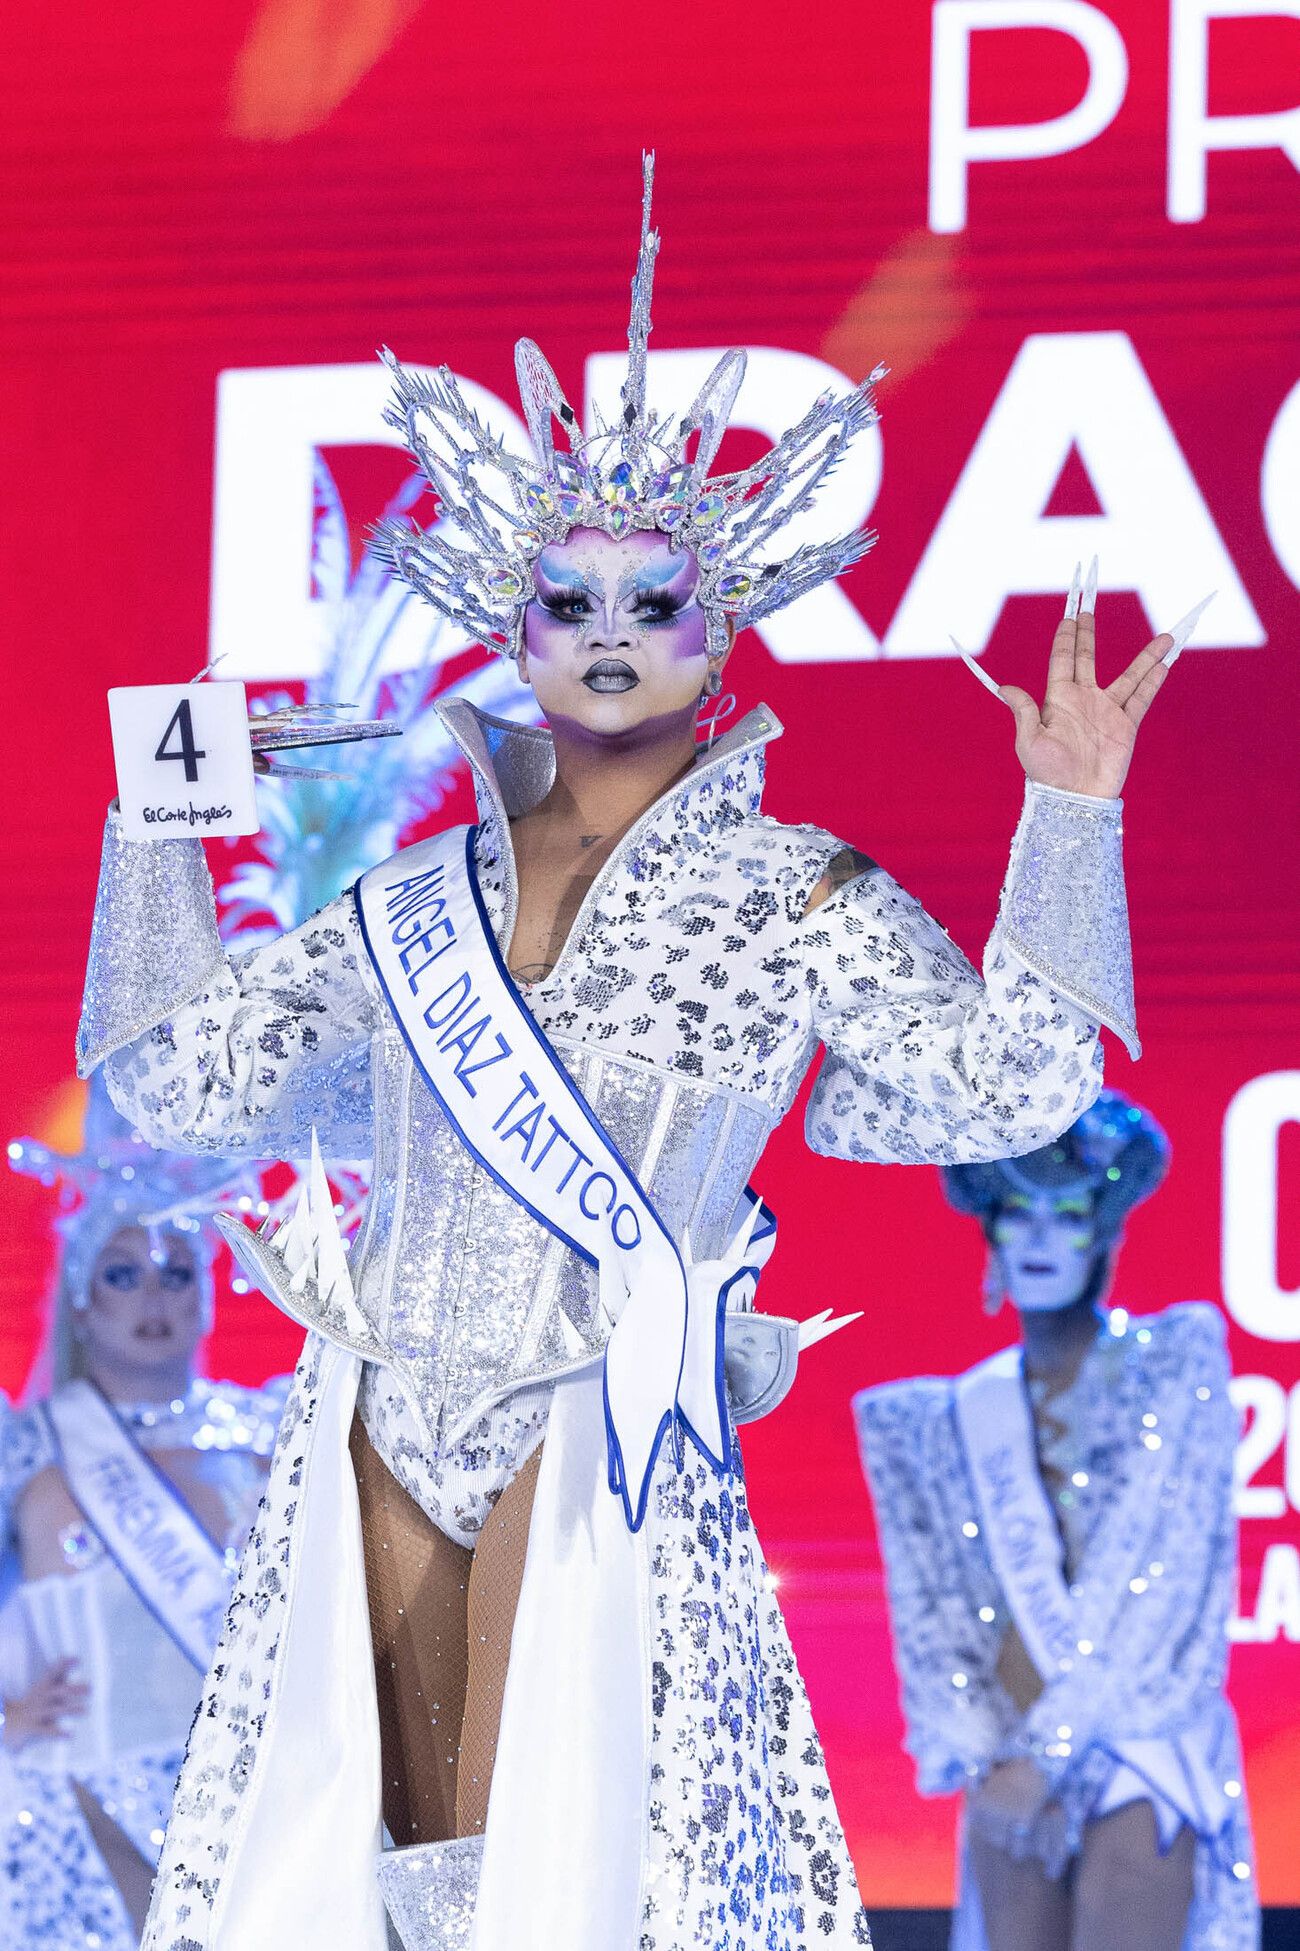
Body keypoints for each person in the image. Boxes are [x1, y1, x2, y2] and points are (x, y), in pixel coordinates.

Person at [76, 156, 1192, 1951]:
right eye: (568, 601)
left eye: (651, 602)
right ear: (510, 629)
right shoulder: (408, 900)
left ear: (718, 626)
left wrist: (1071, 824)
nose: (606, 637)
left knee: (569, 1863)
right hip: (372, 1411)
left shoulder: (796, 890)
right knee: (377, 1859)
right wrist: (154, 827)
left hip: (605, 1424)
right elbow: (173, 1087)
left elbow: (1015, 1086)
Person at [854, 1091, 1259, 1951]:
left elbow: (1158, 1588)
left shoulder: (1177, 1363)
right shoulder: (929, 1423)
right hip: (1011, 1753)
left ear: (1103, 1229)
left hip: (1141, 1743)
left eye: (1065, 1214)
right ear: (992, 1230)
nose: (1038, 1238)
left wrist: (1050, 1756)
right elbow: (934, 1627)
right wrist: (992, 1759)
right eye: (1017, 1214)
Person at [0, 1080, 284, 1949]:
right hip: (78, 1801)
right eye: (123, 1273)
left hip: (251, 1793)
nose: (153, 1297)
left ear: (207, 1292)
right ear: (84, 1296)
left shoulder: (274, 1430)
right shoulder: (24, 1450)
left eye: (176, 1272)